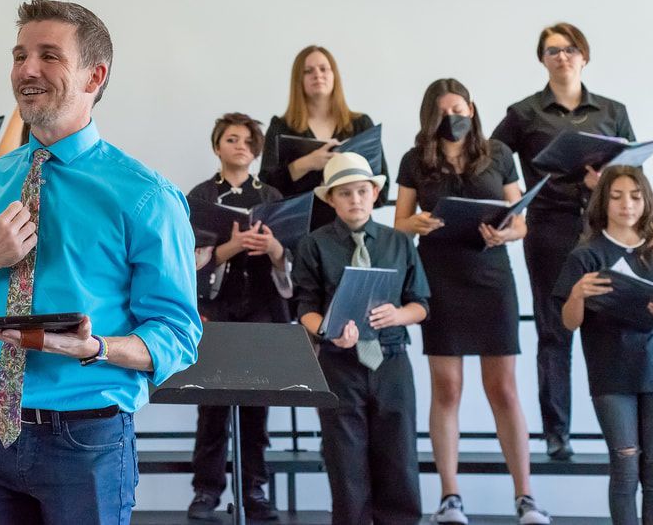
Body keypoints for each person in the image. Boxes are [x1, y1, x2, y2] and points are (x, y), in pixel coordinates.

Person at [0, 0, 202, 525]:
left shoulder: (147, 197)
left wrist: (95, 347)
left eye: (49, 55)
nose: (27, 69)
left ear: (94, 76)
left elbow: (177, 336)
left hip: (87, 442)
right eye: (20, 54)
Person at [394, 79, 550, 525]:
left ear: (473, 108)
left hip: (491, 276)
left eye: (458, 109)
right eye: (443, 112)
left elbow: (521, 221)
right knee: (448, 388)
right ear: (430, 117)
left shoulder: (498, 154)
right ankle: (450, 496)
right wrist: (417, 223)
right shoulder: (414, 160)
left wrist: (506, 231)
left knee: (503, 388)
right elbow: (399, 222)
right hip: (439, 277)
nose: (453, 118)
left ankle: (526, 496)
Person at [492, 23, 635, 459]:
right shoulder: (524, 113)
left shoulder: (612, 110)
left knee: (615, 326)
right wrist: (512, 198)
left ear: (585, 56)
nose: (563, 57)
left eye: (571, 49)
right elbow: (491, 159)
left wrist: (604, 180)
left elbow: (633, 173)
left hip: (603, 231)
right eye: (553, 50)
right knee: (554, 333)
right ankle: (558, 434)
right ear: (542, 59)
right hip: (549, 229)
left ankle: (626, 434)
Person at [293, 152, 428, 525]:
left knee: (399, 455)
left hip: (392, 359)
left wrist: (398, 315)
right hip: (340, 364)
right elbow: (304, 308)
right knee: (345, 459)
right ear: (331, 199)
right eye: (345, 193)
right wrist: (330, 331)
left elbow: (421, 305)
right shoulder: (313, 245)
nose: (355, 200)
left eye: (362, 191)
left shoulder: (399, 242)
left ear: (374, 194)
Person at [555, 166, 653, 525]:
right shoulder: (586, 255)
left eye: (635, 196)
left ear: (647, 202)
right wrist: (577, 293)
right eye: (617, 196)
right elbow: (568, 322)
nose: (627, 204)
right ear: (603, 202)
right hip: (611, 371)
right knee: (625, 461)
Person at [186, 113, 288, 522]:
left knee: (257, 405)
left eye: (248, 141)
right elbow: (183, 263)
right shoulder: (199, 195)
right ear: (217, 146)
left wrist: (274, 249)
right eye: (231, 139)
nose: (241, 146)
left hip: (262, 309)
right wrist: (229, 249)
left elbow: (291, 258)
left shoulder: (274, 197)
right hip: (215, 311)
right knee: (210, 404)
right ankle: (206, 490)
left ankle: (254, 489)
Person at [259, 45, 388, 231]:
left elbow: (382, 191)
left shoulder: (360, 125)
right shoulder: (281, 127)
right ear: (299, 80)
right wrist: (305, 164)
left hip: (351, 232)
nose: (317, 75)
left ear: (334, 74)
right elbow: (266, 189)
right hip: (300, 232)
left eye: (323, 69)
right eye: (308, 71)